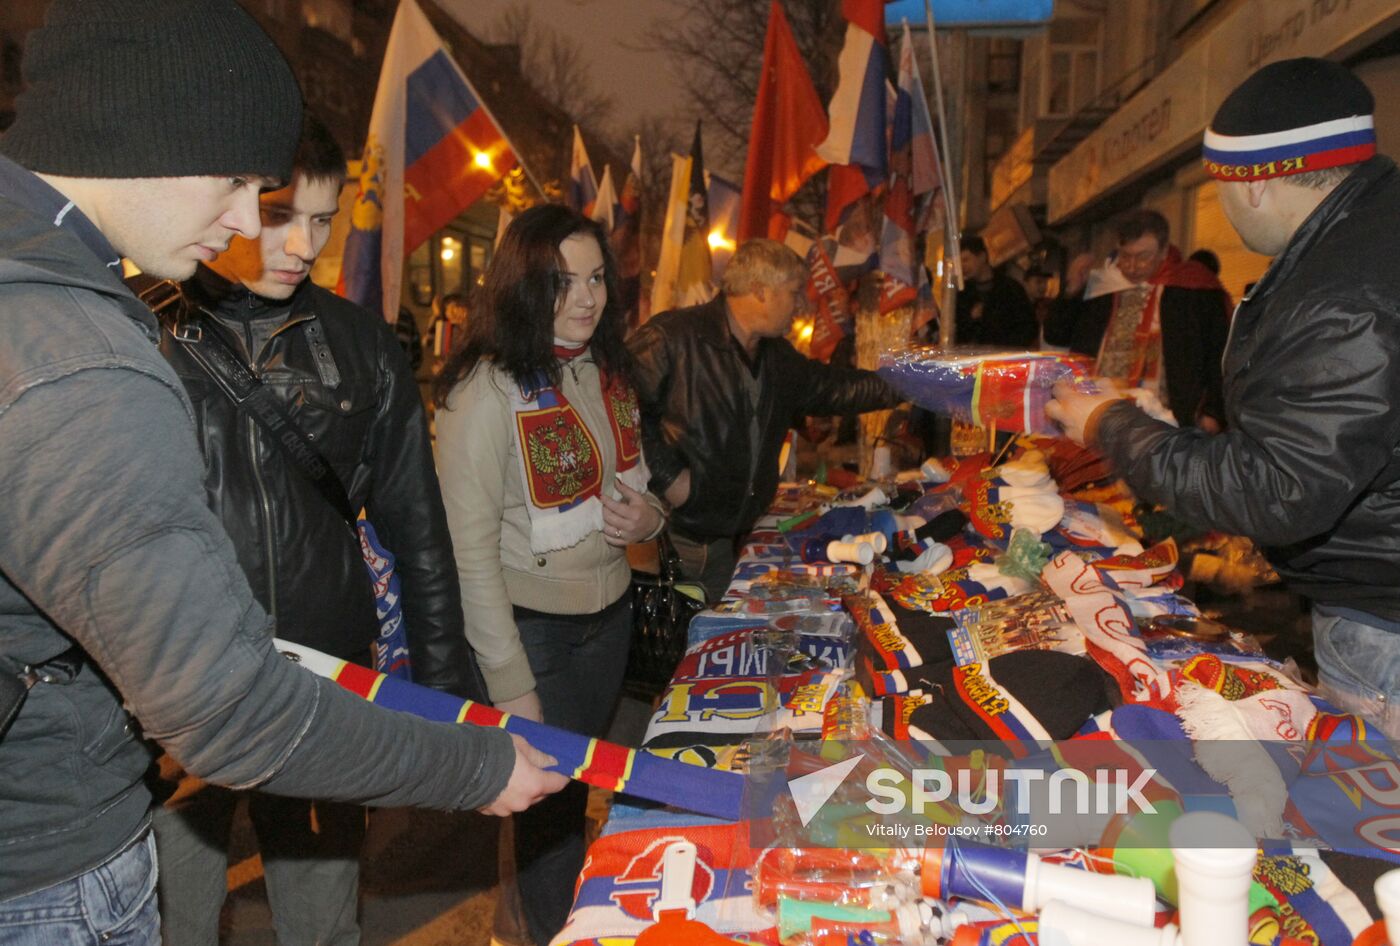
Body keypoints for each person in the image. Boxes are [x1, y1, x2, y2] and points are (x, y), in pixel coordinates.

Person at [0, 2, 564, 941]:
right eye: (235, 184)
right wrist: (477, 765)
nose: (238, 225)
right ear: (140, 134)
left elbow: (416, 533)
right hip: (57, 851)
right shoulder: (83, 358)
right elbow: (226, 708)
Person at [136, 114, 476, 946]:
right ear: (236, 202)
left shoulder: (364, 345)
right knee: (176, 922)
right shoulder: (143, 330)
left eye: (322, 221)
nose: (302, 245)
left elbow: (419, 532)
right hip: (188, 688)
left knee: (323, 924)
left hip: (326, 688)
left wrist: (441, 694)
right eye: (284, 215)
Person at [1046, 58, 1400, 740]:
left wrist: (1110, 424)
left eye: (1222, 187)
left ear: (1258, 185)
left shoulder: (1344, 293)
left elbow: (1277, 487)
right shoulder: (1364, 239)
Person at [433, 205, 665, 946]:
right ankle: (542, 931)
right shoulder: (483, 391)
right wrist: (512, 684)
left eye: (597, 279)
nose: (587, 299)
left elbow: (645, 489)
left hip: (610, 621)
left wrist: (649, 521)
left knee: (570, 800)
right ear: (525, 286)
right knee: (552, 816)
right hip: (534, 638)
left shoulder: (606, 371)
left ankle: (534, 920)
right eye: (563, 282)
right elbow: (467, 557)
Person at [629, 239, 904, 601]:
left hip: (728, 539)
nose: (801, 305)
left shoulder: (776, 357)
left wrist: (911, 385)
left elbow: (836, 389)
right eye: (793, 293)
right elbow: (620, 413)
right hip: (673, 537)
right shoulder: (672, 338)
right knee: (666, 647)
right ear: (759, 291)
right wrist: (670, 479)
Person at [1044, 209, 1230, 429]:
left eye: (1142, 257)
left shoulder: (1192, 289)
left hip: (1168, 418)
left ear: (1163, 250)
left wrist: (1213, 412)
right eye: (1125, 255)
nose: (1132, 266)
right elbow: (1056, 335)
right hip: (1099, 414)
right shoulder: (1102, 287)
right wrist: (1071, 292)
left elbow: (1220, 355)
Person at [954, 235, 1039, 348]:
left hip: (1004, 358)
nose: (962, 266)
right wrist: (971, 319)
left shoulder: (1010, 288)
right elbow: (956, 332)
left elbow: (1028, 327)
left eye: (965, 260)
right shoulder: (962, 294)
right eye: (959, 262)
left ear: (982, 257)